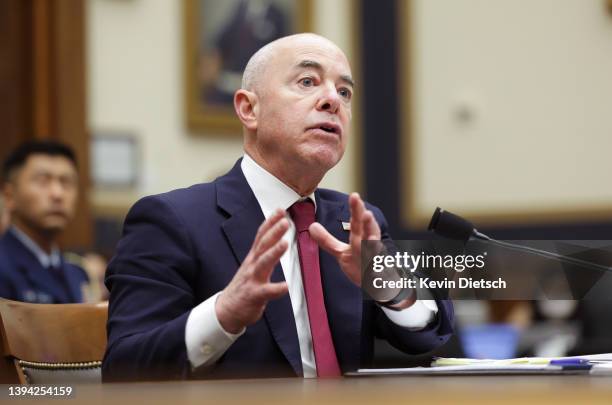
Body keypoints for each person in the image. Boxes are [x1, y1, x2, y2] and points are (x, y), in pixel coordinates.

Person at [103, 33, 454, 381]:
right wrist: (223, 314)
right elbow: (124, 368)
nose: (332, 99)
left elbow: (425, 338)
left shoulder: (358, 221)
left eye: (344, 92)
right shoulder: (171, 221)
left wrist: (389, 287)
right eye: (307, 81)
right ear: (248, 108)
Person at [0, 141, 89, 303]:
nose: (57, 194)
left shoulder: (77, 273)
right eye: (42, 181)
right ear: (9, 196)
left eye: (66, 182)